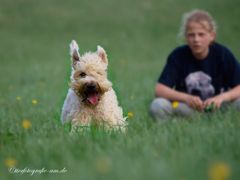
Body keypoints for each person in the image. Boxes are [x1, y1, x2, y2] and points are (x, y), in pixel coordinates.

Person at [149, 9, 240, 120]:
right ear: (186, 37)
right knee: (158, 105)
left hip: (220, 108)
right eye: (191, 35)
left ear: (212, 35)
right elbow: (160, 90)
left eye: (201, 34)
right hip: (188, 110)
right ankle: (173, 131)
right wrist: (187, 98)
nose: (196, 39)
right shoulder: (177, 56)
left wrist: (221, 98)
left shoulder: (223, 54)